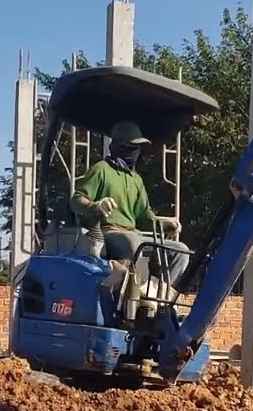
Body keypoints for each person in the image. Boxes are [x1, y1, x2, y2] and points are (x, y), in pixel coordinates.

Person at [69, 120, 191, 287]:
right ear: (119, 146)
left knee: (180, 250)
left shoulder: (136, 180)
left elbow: (144, 217)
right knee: (130, 241)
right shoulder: (101, 170)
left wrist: (165, 224)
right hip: (107, 234)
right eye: (132, 147)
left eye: (137, 149)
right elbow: (76, 200)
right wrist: (95, 205)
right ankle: (123, 293)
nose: (136, 152)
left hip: (134, 234)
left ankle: (155, 293)